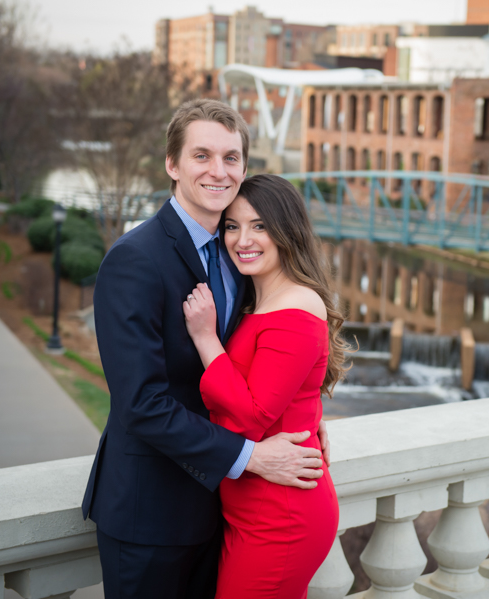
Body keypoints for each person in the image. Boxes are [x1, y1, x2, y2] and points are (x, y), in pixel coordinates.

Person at [81, 99, 329, 599]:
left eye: (231, 158)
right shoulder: (134, 260)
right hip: (150, 512)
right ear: (172, 165)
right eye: (202, 156)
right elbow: (142, 404)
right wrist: (251, 456)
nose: (219, 171)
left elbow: (268, 357)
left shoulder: (241, 253)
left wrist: (303, 413)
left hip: (222, 512)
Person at [184, 174, 344, 597]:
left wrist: (205, 340)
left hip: (282, 515)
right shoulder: (262, 299)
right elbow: (291, 384)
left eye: (259, 225)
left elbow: (254, 414)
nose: (242, 239)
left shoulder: (296, 304)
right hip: (253, 506)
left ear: (286, 231)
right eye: (232, 226)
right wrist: (312, 417)